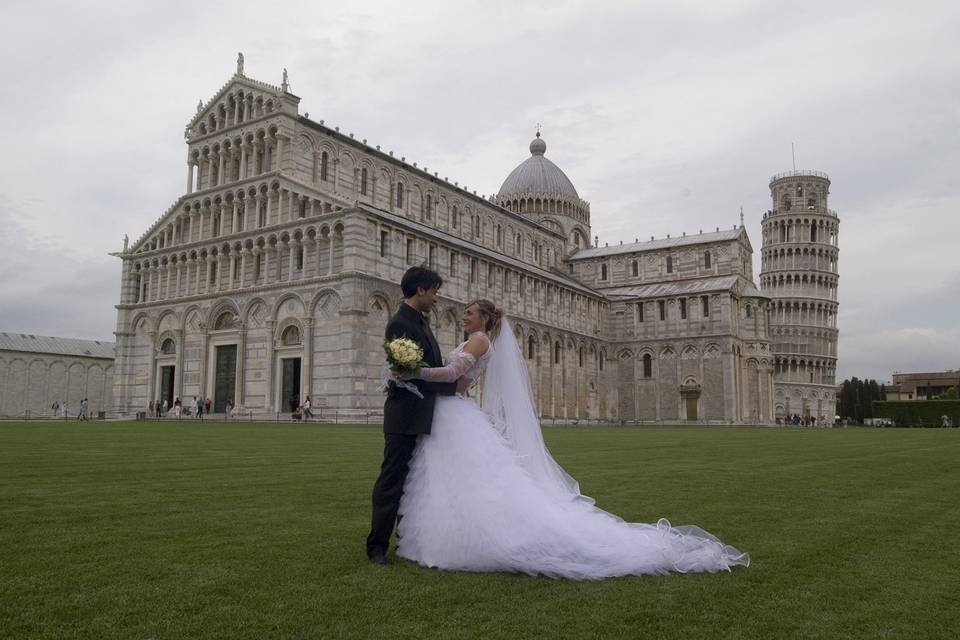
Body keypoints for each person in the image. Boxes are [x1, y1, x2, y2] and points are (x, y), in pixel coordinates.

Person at [390, 299, 749, 579]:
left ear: (484, 318)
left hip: (455, 414)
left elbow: (455, 373)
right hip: (453, 413)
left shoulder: (480, 340)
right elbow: (461, 379)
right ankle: (453, 535)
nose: (463, 315)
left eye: (469, 312)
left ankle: (466, 539)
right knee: (459, 481)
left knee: (467, 481)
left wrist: (412, 370)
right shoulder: (476, 339)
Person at [366, 266, 467, 565]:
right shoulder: (400, 324)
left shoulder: (419, 322)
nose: (437, 297)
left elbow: (423, 367)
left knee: (413, 483)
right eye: (434, 291)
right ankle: (376, 546)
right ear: (420, 289)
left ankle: (406, 540)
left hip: (421, 414)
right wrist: (453, 385)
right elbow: (408, 374)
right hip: (404, 416)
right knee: (392, 480)